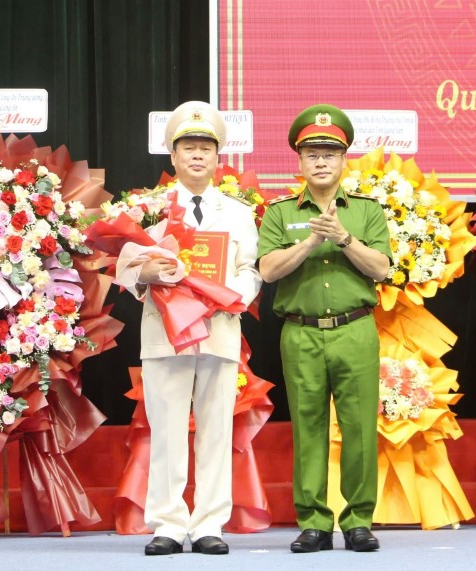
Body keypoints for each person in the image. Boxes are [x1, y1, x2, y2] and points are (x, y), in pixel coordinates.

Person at [118, 101, 262, 556]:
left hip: (219, 328)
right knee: (166, 430)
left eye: (205, 148)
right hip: (165, 333)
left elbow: (250, 268)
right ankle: (168, 523)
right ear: (173, 156)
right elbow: (124, 266)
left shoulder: (238, 212)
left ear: (218, 158)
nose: (197, 156)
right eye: (188, 148)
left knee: (217, 429)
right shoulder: (149, 207)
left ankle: (209, 524)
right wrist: (148, 276)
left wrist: (231, 293)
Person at [256, 104, 392, 553]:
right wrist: (311, 240)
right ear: (299, 161)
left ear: (343, 160)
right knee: (307, 427)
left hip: (355, 330)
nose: (320, 161)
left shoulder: (367, 212)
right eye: (311, 153)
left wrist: (344, 238)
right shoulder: (280, 213)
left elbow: (383, 269)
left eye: (329, 154)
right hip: (301, 333)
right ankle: (314, 521)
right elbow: (269, 271)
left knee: (358, 428)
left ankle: (358, 521)